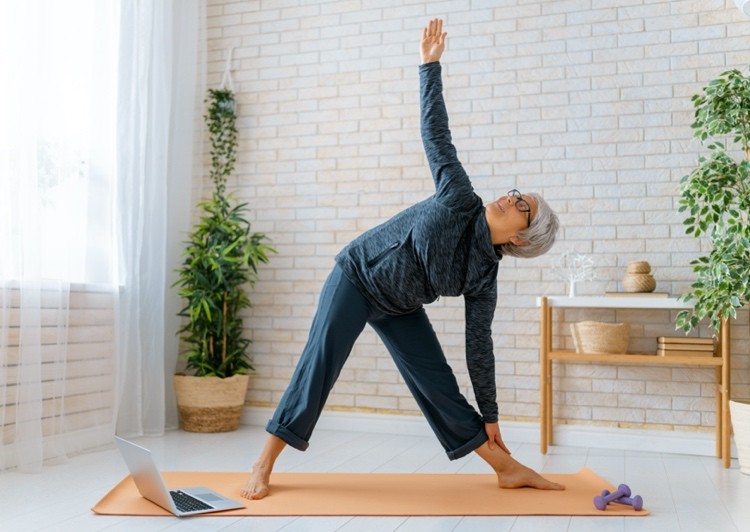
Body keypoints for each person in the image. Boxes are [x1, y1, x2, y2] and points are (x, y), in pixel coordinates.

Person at [241, 18, 564, 500]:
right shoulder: (460, 197)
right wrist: (429, 66)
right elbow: (437, 134)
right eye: (518, 195)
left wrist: (491, 415)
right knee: (319, 365)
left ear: (522, 239)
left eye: (523, 208)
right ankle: (263, 464)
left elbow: (480, 347)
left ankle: (505, 467)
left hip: (399, 305)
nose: (511, 199)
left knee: (439, 384)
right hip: (357, 275)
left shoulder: (484, 276)